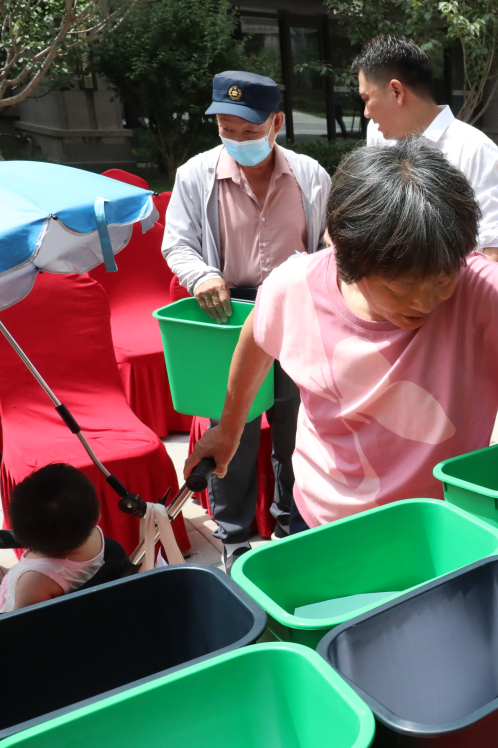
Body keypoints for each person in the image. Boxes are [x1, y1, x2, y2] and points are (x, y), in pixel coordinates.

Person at [185, 139, 498, 532]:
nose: (426, 304)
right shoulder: (294, 285)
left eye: (442, 282)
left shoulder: (482, 291)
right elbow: (257, 338)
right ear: (342, 250)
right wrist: (230, 429)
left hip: (441, 533)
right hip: (318, 521)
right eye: (400, 288)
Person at [162, 70, 331, 568]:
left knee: (294, 422)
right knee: (232, 422)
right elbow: (177, 242)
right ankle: (233, 532)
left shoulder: (309, 174)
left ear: (277, 123)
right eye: (226, 130)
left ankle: (292, 519)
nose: (237, 141)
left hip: (298, 311)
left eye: (249, 131)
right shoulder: (196, 175)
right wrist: (201, 276)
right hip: (229, 311)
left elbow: (326, 241)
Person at [359, 35, 498, 267]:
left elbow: (494, 252)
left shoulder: (475, 151)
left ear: (397, 92)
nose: (366, 113)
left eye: (366, 98)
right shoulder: (378, 136)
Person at [0, 464, 104, 613]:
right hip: (15, 593)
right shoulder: (94, 533)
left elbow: (20, 624)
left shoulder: (36, 581)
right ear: (96, 519)